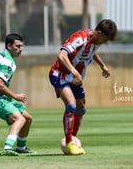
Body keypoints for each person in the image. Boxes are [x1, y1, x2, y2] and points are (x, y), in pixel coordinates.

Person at [49, 19, 117, 155]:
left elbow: (92, 52)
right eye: (105, 39)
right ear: (98, 33)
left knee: (81, 107)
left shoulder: (95, 41)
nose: (105, 42)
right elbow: (61, 55)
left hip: (74, 78)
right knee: (71, 104)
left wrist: (102, 65)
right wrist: (74, 72)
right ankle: (69, 143)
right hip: (60, 74)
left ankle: (73, 138)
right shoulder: (80, 38)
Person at [0, 33, 34, 156]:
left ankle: (21, 148)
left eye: (22, 46)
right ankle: (7, 149)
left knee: (28, 118)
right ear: (9, 46)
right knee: (20, 119)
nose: (21, 49)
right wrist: (16, 96)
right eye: (18, 46)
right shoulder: (8, 62)